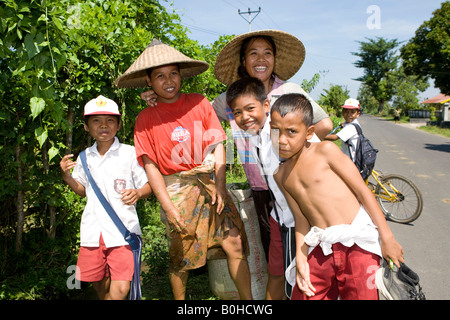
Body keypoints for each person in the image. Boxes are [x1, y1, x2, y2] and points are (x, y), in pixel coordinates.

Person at [115, 40, 252, 300]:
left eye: (173, 73)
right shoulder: (145, 119)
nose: (169, 81)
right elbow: (151, 166)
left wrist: (221, 186)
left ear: (181, 75)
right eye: (160, 76)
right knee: (181, 256)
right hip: (177, 189)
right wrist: (167, 206)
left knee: (234, 244)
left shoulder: (199, 103)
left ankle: (249, 302)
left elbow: (218, 145)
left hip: (211, 183)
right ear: (148, 81)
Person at [270, 93, 404, 300]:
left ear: (309, 132)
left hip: (356, 243)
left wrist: (387, 238)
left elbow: (363, 192)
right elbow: (301, 219)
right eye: (275, 130)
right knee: (304, 295)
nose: (281, 140)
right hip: (321, 245)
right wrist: (301, 257)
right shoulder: (280, 175)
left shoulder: (325, 151)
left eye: (291, 132)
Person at [226, 77, 320, 300]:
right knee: (277, 272)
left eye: (250, 109)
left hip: (302, 220)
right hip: (280, 217)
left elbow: (317, 160)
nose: (244, 117)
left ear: (265, 105)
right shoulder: (257, 138)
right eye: (237, 112)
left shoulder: (283, 133)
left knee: (302, 277)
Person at [60, 95, 151, 300]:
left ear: (118, 125)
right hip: (92, 233)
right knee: (99, 284)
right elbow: (83, 190)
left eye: (110, 120)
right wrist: (66, 176)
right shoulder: (83, 157)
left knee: (120, 290)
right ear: (86, 126)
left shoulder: (130, 153)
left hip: (123, 233)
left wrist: (137, 193)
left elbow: (148, 185)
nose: (104, 125)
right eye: (96, 120)